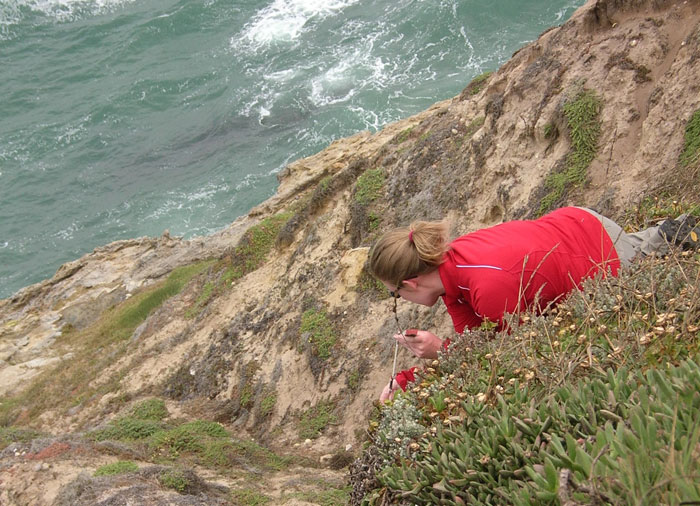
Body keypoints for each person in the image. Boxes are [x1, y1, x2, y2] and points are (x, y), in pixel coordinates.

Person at [368, 206, 699, 401]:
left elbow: (512, 355)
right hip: (579, 223)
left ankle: (669, 240)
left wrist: (439, 352)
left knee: (642, 260)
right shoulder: (452, 270)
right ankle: (666, 235)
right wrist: (410, 375)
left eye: (394, 294)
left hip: (603, 257)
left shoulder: (488, 287)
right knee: (655, 244)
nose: (398, 300)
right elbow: (476, 342)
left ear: (410, 284)